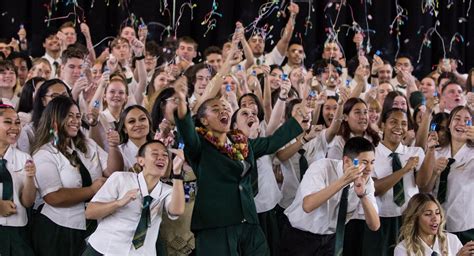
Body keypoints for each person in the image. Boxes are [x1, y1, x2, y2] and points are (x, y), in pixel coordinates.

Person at [174, 75, 307, 255]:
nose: (223, 111)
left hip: (249, 221)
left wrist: (298, 119)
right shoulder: (199, 145)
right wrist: (181, 101)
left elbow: (272, 143)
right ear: (204, 120)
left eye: (225, 108)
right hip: (216, 226)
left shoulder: (242, 143)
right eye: (215, 109)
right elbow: (186, 129)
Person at [31, 96, 123, 256]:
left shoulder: (88, 144)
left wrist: (114, 147)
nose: (75, 120)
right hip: (58, 229)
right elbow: (53, 196)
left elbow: (112, 172)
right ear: (55, 118)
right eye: (69, 115)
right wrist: (92, 190)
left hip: (93, 225)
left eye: (78, 116)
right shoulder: (44, 153)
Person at [83, 140, 185, 256]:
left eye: (165, 155)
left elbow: (177, 211)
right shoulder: (120, 178)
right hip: (103, 249)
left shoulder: (168, 190)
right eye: (155, 154)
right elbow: (90, 212)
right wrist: (118, 203)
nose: (161, 157)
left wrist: (177, 174)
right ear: (141, 160)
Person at [281, 137, 380, 255]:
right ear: (347, 161)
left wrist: (363, 196)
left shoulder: (366, 181)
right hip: (299, 236)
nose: (369, 169)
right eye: (364, 162)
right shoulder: (322, 167)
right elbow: (307, 206)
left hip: (331, 239)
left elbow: (375, 225)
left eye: (372, 162)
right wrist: (343, 181)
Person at [363, 108, 434, 256]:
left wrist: (431, 151)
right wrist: (403, 170)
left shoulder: (415, 152)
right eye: (393, 122)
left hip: (410, 219)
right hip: (380, 220)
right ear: (382, 125)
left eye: (403, 124)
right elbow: (374, 189)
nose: (399, 127)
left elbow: (422, 184)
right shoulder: (372, 154)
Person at [423, 106, 474, 244]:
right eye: (457, 119)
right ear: (449, 125)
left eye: (467, 121)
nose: (462, 123)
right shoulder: (437, 151)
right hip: (437, 224)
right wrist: (434, 173)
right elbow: (425, 189)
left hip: (466, 225)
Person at [0, 103, 36, 256]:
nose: (14, 127)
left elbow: (27, 202)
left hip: (17, 232)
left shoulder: (24, 158)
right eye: (8, 122)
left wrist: (29, 178)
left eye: (17, 123)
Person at [394, 193, 474, 256]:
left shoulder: (452, 240)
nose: (435, 218)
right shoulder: (403, 249)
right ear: (415, 218)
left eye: (437, 213)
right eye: (428, 214)